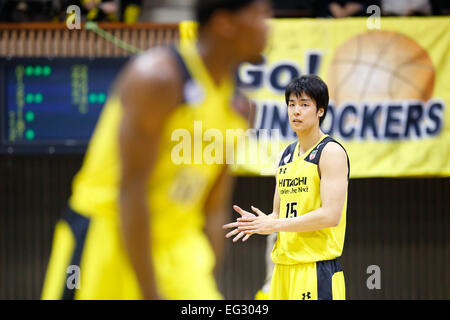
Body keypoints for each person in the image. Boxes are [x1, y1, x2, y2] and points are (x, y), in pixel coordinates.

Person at [41, 0, 272, 300]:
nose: (269, 25)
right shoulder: (159, 78)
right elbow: (131, 190)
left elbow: (214, 205)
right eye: (260, 14)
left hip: (179, 247)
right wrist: (150, 292)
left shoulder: (239, 107)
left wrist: (206, 276)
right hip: (110, 238)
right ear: (224, 23)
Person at [224, 75, 350, 300]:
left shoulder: (331, 152)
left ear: (320, 111)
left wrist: (276, 223)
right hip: (282, 268)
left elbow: (330, 215)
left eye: (304, 105)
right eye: (291, 104)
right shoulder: (284, 156)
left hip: (315, 268)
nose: (296, 111)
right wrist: (259, 224)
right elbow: (278, 213)